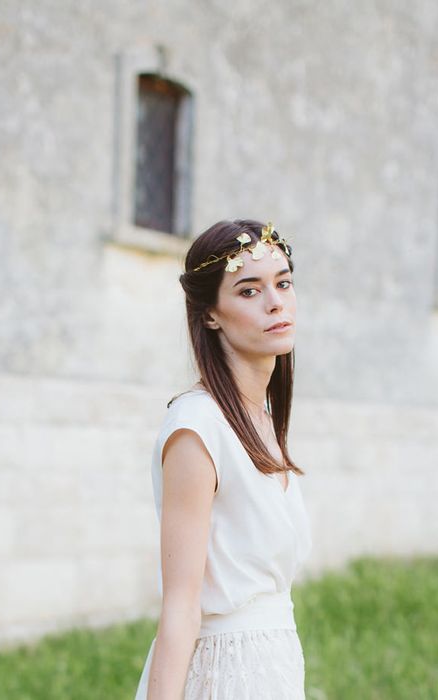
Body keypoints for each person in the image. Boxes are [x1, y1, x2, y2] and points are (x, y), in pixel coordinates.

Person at [134, 219, 313, 699]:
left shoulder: (263, 420)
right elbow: (180, 607)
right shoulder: (198, 428)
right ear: (210, 314)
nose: (276, 301)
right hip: (223, 676)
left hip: (272, 670)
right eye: (249, 291)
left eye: (283, 283)